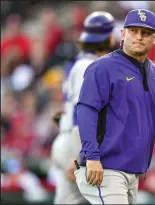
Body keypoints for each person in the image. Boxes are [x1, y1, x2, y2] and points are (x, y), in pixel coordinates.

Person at [74, 9, 155, 204]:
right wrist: (92, 157)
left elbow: (153, 112)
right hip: (105, 168)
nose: (139, 37)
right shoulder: (103, 68)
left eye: (145, 33)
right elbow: (86, 111)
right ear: (123, 33)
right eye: (133, 31)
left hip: (132, 173)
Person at [50, 11, 116, 204]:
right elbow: (83, 114)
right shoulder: (89, 67)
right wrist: (80, 156)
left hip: (70, 140)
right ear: (108, 37)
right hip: (76, 144)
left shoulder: (78, 63)